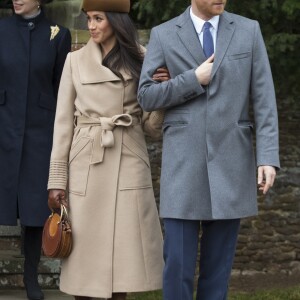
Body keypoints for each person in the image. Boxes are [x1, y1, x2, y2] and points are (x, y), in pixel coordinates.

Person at [138, 0, 280, 299]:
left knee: (218, 271)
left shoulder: (248, 31)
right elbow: (147, 96)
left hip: (232, 163)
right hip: (182, 165)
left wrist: (267, 157)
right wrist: (192, 79)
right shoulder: (163, 34)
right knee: (177, 265)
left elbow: (264, 99)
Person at [47, 0, 168, 299]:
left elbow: (152, 129)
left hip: (128, 159)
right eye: (88, 18)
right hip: (86, 161)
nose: (91, 26)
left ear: (116, 20)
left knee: (121, 268)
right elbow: (63, 126)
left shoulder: (144, 59)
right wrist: (56, 181)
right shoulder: (74, 61)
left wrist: (163, 92)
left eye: (98, 18)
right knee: (83, 270)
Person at [0, 1, 71, 299]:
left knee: (33, 207)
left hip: (41, 133)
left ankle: (31, 279)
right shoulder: (1, 29)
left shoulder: (59, 34)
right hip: (3, 127)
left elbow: (62, 87)